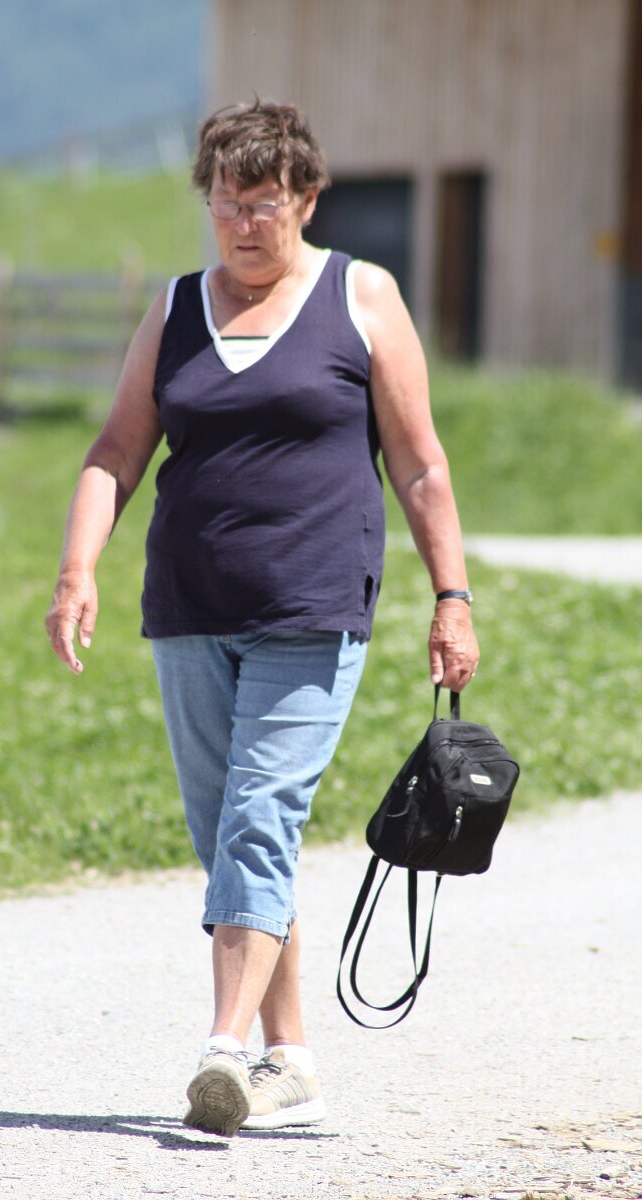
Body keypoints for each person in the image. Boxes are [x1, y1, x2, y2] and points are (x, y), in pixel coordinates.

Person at [45, 99, 479, 1138]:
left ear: (308, 200)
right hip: (190, 610)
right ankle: (293, 1064)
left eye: (265, 206)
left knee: (258, 819)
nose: (244, 226)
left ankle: (223, 1050)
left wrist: (451, 597)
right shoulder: (174, 310)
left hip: (312, 606)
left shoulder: (360, 297)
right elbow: (115, 451)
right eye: (227, 205)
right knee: (233, 840)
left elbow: (420, 465)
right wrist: (76, 571)